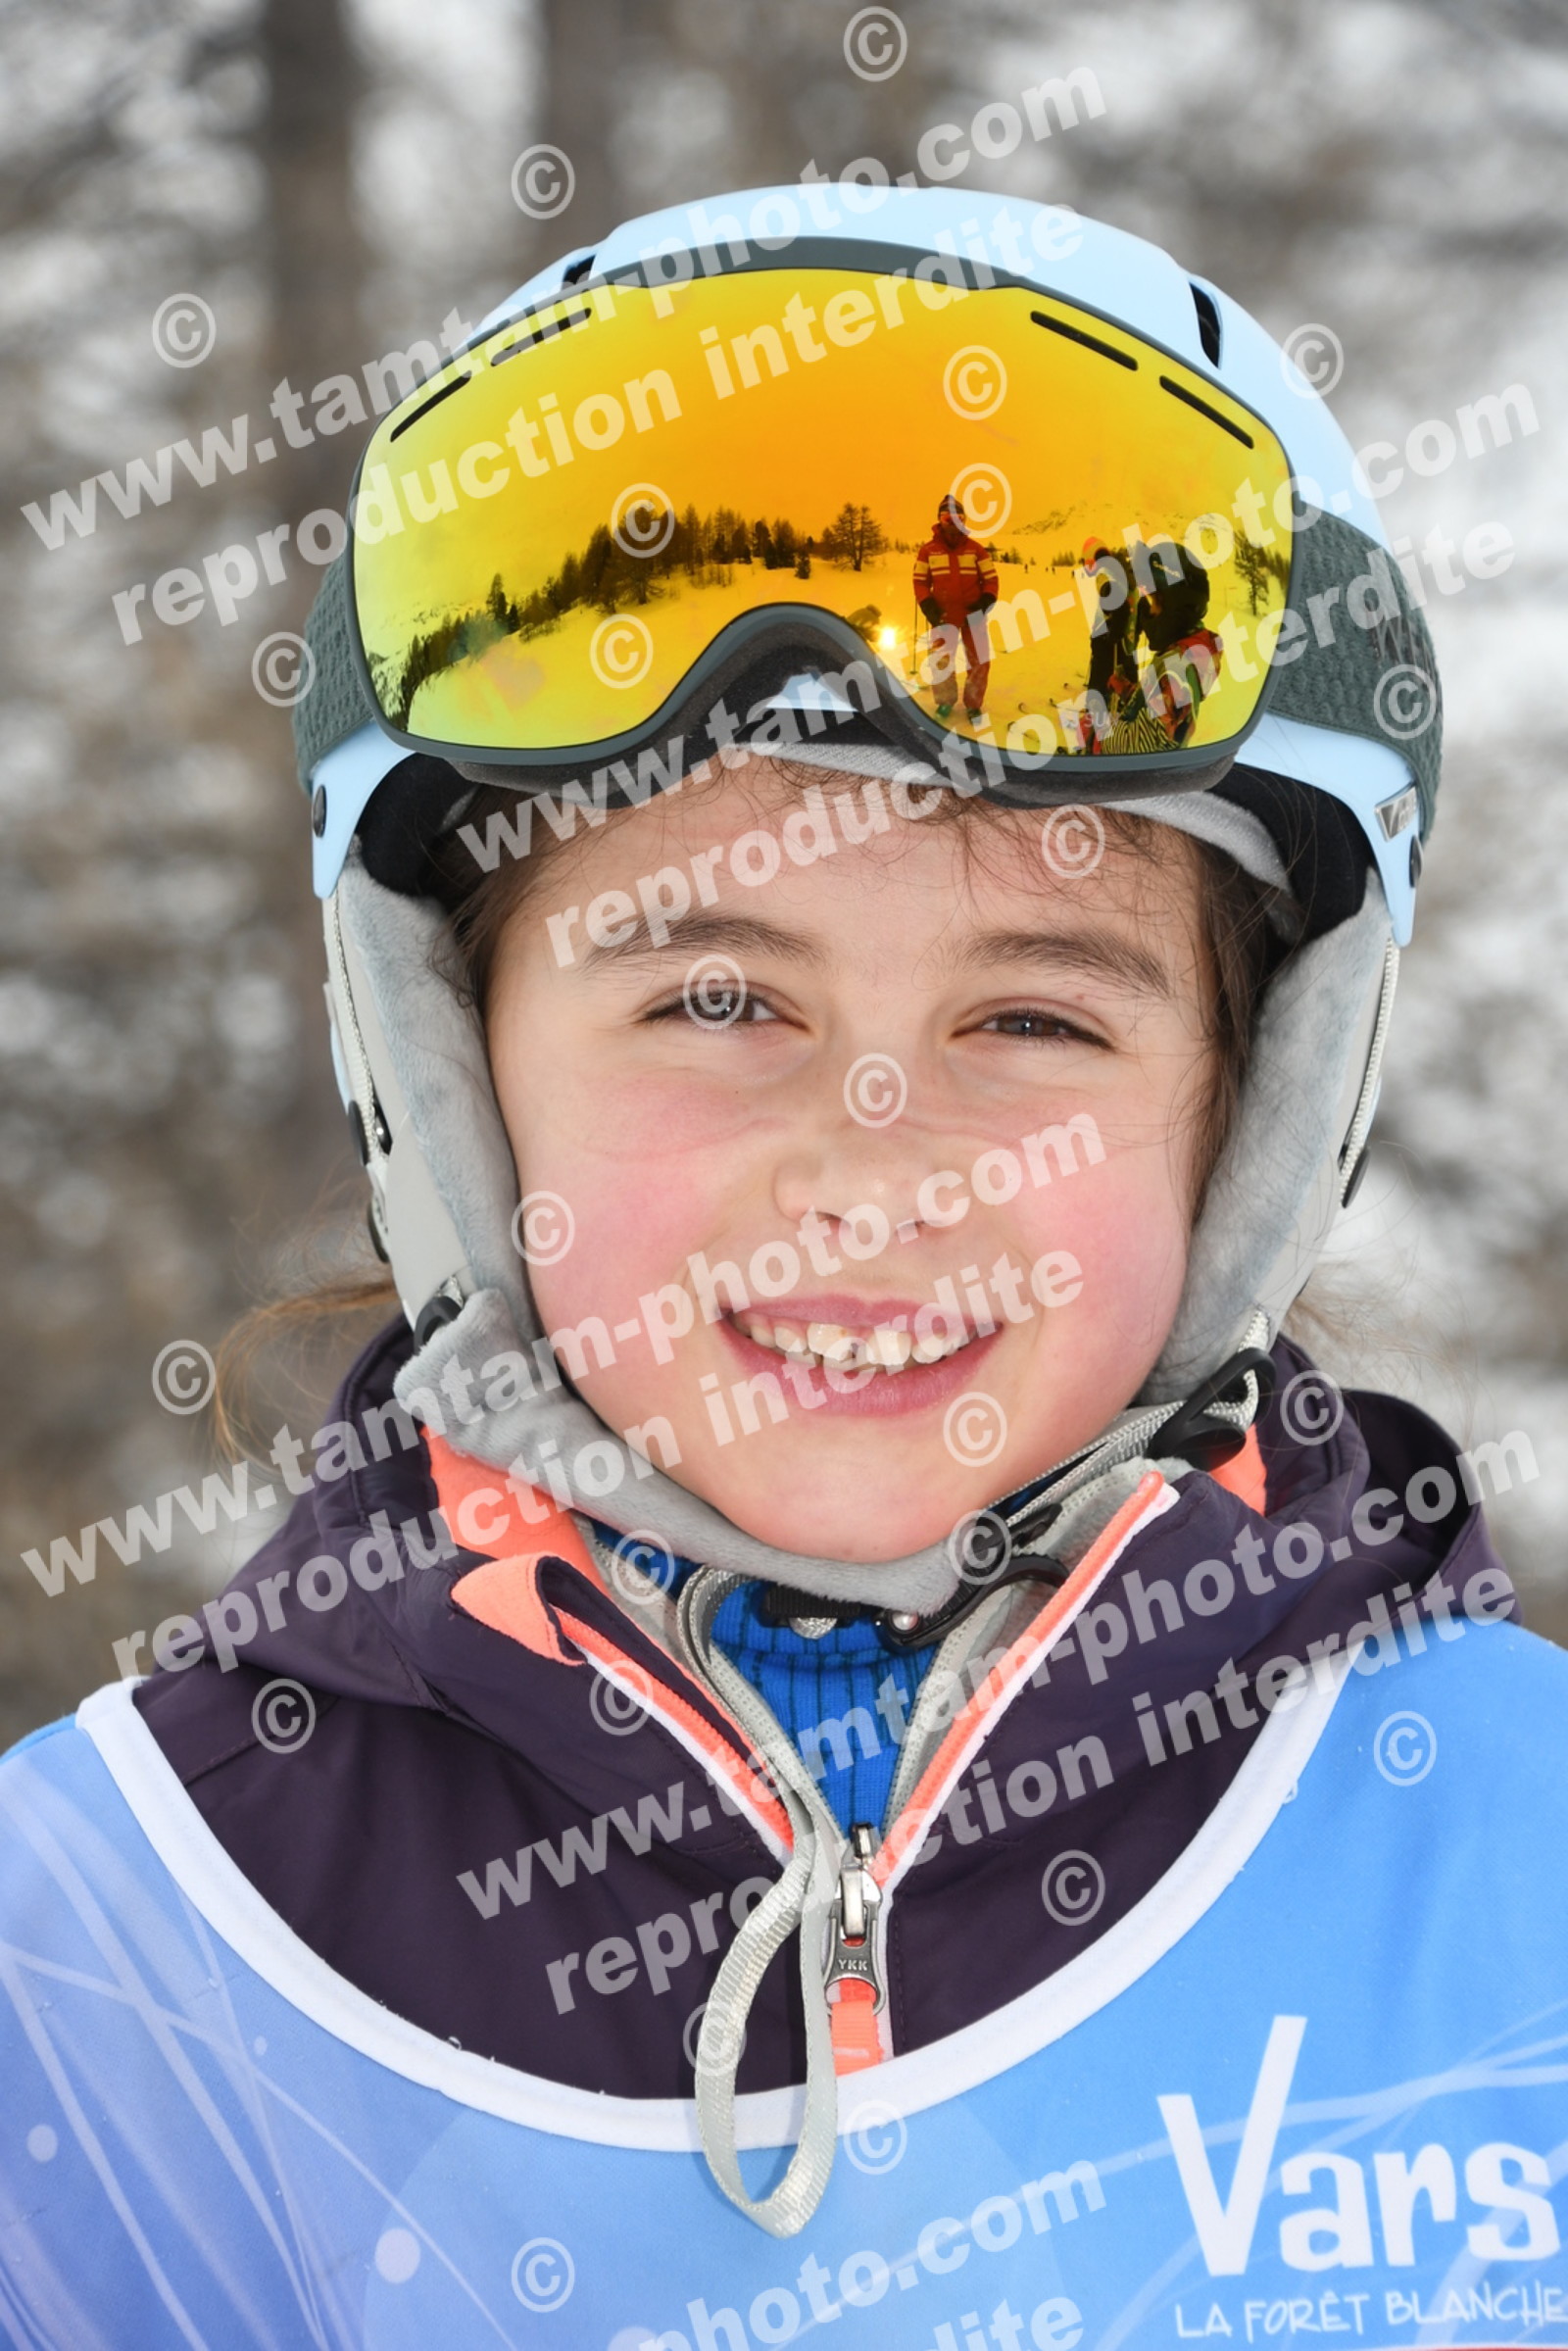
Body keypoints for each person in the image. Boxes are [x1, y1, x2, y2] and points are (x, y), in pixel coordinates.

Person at [4, 187, 1565, 2350]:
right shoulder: (98, 1960)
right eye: (717, 998)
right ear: (450, 1076)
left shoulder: (1520, 1869)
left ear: (1253, 1115)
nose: (869, 1163)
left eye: (1032, 1017)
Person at [912, 492, 999, 720]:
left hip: (974, 615)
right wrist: (927, 605)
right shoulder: (928, 551)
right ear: (939, 520)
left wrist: (985, 601)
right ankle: (945, 700)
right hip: (942, 615)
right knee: (941, 661)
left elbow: (991, 580)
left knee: (979, 661)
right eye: (946, 518)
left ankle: (973, 704)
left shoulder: (976, 549)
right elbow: (920, 582)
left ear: (964, 520)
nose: (952, 523)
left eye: (957, 518)